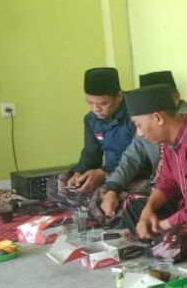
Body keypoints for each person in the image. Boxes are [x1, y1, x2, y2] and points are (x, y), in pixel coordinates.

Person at [124, 85, 187, 261]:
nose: (139, 133)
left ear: (158, 118)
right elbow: (167, 181)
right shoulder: (169, 137)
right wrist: (148, 211)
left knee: (171, 245)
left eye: (139, 125)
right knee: (132, 203)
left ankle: (157, 239)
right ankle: (155, 238)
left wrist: (161, 225)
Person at [91, 71, 187, 228]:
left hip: (182, 194)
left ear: (175, 97)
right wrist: (113, 188)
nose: (140, 132)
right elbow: (131, 157)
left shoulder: (184, 129)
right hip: (162, 184)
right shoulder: (147, 122)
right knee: (105, 193)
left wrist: (158, 219)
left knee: (133, 205)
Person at [52, 67, 135, 211]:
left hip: (131, 173)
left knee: (110, 195)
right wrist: (79, 173)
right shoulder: (91, 119)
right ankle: (85, 209)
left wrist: (105, 174)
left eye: (103, 104)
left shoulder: (136, 114)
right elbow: (91, 153)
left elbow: (139, 157)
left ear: (119, 96)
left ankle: (95, 209)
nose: (95, 109)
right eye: (90, 103)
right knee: (58, 182)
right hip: (107, 171)